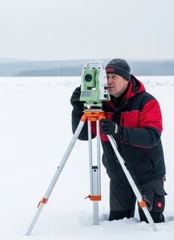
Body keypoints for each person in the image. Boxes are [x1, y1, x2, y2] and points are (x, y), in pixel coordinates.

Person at [70, 58, 167, 223]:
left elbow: (152, 137)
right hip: (118, 178)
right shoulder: (101, 104)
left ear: (127, 79)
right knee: (117, 223)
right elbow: (84, 135)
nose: (109, 81)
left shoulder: (146, 102)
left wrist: (119, 131)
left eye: (114, 77)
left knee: (150, 222)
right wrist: (78, 109)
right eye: (106, 77)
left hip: (147, 176)